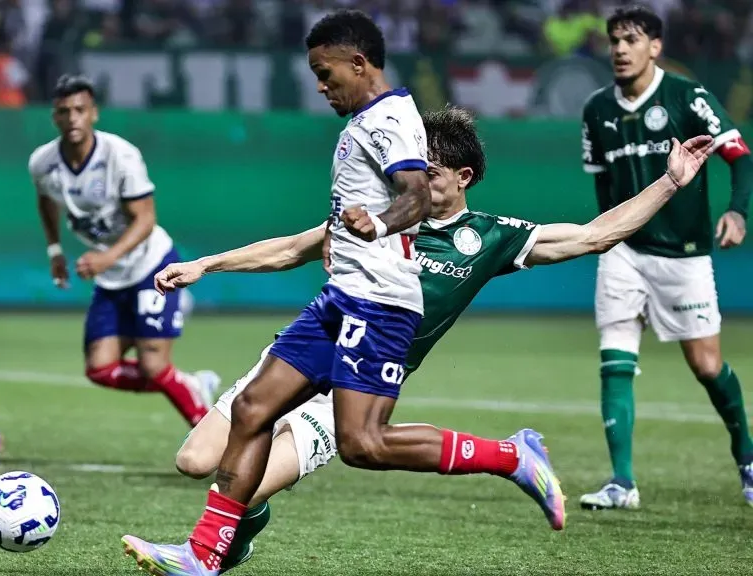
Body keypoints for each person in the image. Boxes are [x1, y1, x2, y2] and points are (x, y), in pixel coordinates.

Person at [165, 107, 712, 572]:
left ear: (464, 176)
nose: (414, 182)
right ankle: (238, 533)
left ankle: (227, 542)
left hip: (349, 394)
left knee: (239, 492)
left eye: (428, 172)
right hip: (297, 355)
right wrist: (205, 266)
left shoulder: (492, 238)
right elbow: (290, 248)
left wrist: (670, 181)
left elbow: (596, 236)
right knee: (195, 460)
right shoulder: (384, 216)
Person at [120, 12, 565, 576]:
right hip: (340, 298)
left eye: (326, 73)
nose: (321, 86)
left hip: (378, 303)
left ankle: (512, 456)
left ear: (359, 63)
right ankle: (204, 555)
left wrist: (378, 225)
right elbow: (298, 244)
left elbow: (414, 196)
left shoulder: (389, 121)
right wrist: (206, 266)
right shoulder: (367, 121)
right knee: (253, 408)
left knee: (364, 445)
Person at [579, 5, 753, 509]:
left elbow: (739, 157)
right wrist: (604, 236)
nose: (619, 49)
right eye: (613, 40)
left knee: (707, 365)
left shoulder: (685, 96)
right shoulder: (596, 110)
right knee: (615, 356)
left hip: (684, 255)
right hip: (623, 251)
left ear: (655, 46)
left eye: (631, 39)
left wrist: (738, 213)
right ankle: (622, 482)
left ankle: (746, 456)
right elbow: (604, 187)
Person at [27, 75, 219, 428]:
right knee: (99, 368)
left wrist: (105, 258)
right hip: (112, 275)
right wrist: (55, 249)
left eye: (80, 110)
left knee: (154, 366)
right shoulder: (42, 163)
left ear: (94, 114)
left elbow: (145, 219)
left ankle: (209, 430)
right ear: (54, 117)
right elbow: (45, 201)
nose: (73, 118)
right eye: (64, 111)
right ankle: (188, 382)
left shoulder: (121, 155)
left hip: (152, 265)